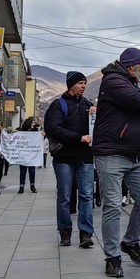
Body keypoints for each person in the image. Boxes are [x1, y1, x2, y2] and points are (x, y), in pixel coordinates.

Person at [93, 48, 140, 277]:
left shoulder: (130, 82)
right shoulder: (113, 80)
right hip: (112, 154)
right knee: (113, 206)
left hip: (137, 156)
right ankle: (112, 257)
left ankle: (130, 241)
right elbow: (136, 100)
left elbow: (132, 114)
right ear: (132, 65)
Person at [44, 71, 95, 249]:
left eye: (85, 83)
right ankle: (65, 231)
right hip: (64, 158)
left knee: (87, 196)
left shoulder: (89, 105)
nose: (83, 86)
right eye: (80, 83)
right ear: (71, 84)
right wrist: (78, 138)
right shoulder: (58, 105)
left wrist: (96, 115)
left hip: (86, 159)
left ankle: (86, 233)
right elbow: (52, 128)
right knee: (65, 196)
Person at [17, 118, 40, 194]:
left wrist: (42, 134)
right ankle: (21, 186)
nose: (33, 124)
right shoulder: (21, 131)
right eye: (32, 122)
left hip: (31, 155)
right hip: (23, 155)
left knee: (32, 171)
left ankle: (32, 186)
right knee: (22, 172)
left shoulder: (36, 132)